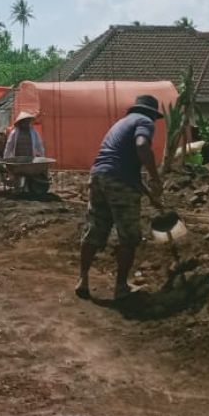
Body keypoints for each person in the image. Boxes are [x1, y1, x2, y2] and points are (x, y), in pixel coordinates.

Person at [77, 94, 164, 301]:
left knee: (96, 228)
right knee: (130, 236)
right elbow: (142, 146)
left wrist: (149, 194)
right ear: (152, 114)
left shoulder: (121, 124)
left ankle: (82, 280)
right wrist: (155, 178)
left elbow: (122, 169)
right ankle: (121, 287)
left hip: (98, 176)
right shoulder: (145, 122)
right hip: (118, 181)